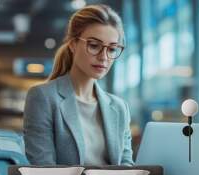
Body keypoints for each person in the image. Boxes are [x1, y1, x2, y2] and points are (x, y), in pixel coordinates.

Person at [23, 4, 133, 166]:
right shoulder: (43, 98)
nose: (103, 57)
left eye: (111, 49)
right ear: (73, 44)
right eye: (94, 45)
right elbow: (43, 171)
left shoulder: (119, 107)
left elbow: (127, 168)